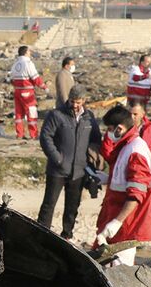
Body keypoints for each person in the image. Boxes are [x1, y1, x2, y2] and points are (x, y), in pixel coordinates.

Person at [91, 105, 151, 267]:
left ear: (119, 129)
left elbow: (136, 193)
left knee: (118, 269)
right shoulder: (127, 146)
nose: (108, 134)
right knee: (102, 262)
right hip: (117, 218)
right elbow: (127, 178)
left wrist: (117, 222)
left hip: (126, 224)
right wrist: (108, 178)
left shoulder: (135, 150)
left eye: (110, 129)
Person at [36, 90, 102, 240]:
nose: (75, 105)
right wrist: (57, 158)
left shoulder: (89, 118)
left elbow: (96, 139)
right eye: (72, 101)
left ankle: (67, 235)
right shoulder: (56, 115)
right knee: (49, 204)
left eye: (78, 102)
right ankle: (40, 234)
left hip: (79, 170)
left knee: (72, 206)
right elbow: (46, 137)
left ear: (84, 101)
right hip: (57, 169)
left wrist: (92, 157)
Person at [6, 45, 43, 140]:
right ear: (26, 52)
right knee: (31, 113)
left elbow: (11, 79)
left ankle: (19, 134)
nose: (30, 53)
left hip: (17, 91)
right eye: (29, 52)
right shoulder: (28, 63)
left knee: (19, 114)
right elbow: (35, 78)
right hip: (27, 92)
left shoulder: (15, 64)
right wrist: (44, 86)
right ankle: (33, 134)